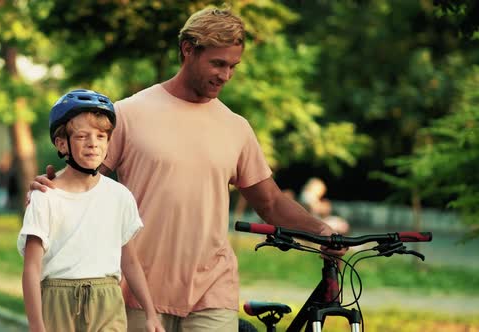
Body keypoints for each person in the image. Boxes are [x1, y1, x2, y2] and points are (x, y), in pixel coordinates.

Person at [30, 5, 346, 331]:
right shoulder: (129, 115)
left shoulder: (235, 127)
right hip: (138, 289)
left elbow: (270, 202)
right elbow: (82, 180)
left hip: (212, 289)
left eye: (233, 66)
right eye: (218, 63)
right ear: (188, 50)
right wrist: (50, 190)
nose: (225, 75)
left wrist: (320, 229)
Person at [18, 89, 164, 332]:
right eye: (82, 136)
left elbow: (130, 261)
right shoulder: (45, 196)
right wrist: (36, 326)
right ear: (62, 143)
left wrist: (151, 314)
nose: (93, 144)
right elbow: (31, 268)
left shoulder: (119, 196)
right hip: (58, 300)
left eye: (100, 136)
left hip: (106, 299)